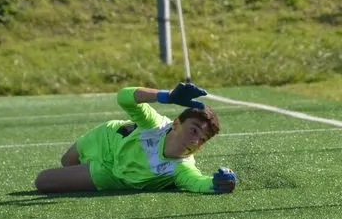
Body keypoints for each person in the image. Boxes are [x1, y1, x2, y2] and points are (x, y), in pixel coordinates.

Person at [34, 82, 237, 194]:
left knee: (43, 182)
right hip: (107, 139)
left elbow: (197, 182)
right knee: (67, 161)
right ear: (176, 124)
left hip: (112, 175)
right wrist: (166, 96)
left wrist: (216, 184)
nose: (196, 141)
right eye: (194, 131)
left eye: (203, 139)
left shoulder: (181, 167)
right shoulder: (154, 125)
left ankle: (86, 171)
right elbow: (124, 97)